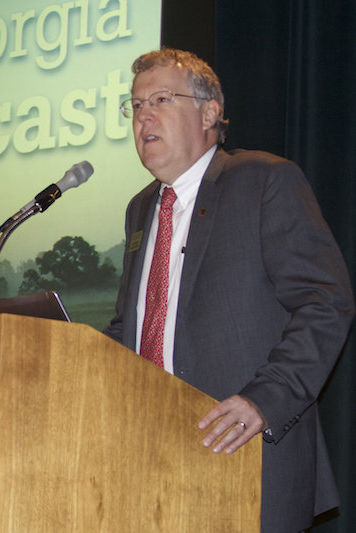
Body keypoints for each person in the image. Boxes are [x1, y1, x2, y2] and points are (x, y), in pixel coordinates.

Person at [104, 48, 354, 532]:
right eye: (135, 106)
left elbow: (325, 301)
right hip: (150, 459)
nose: (143, 116)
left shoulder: (263, 181)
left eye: (160, 99)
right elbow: (130, 327)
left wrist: (266, 398)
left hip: (243, 455)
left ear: (210, 112)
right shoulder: (140, 209)